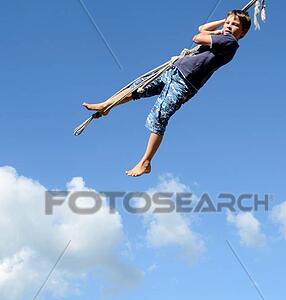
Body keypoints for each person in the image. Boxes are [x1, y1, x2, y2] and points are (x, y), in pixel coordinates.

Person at [83, 10, 251, 177]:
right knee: (138, 86)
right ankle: (106, 105)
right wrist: (223, 23)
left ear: (242, 33)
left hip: (184, 82)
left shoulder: (230, 42)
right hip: (174, 71)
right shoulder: (223, 37)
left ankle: (145, 162)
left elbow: (197, 37)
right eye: (228, 22)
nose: (229, 26)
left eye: (235, 25)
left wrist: (221, 30)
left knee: (159, 115)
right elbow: (202, 28)